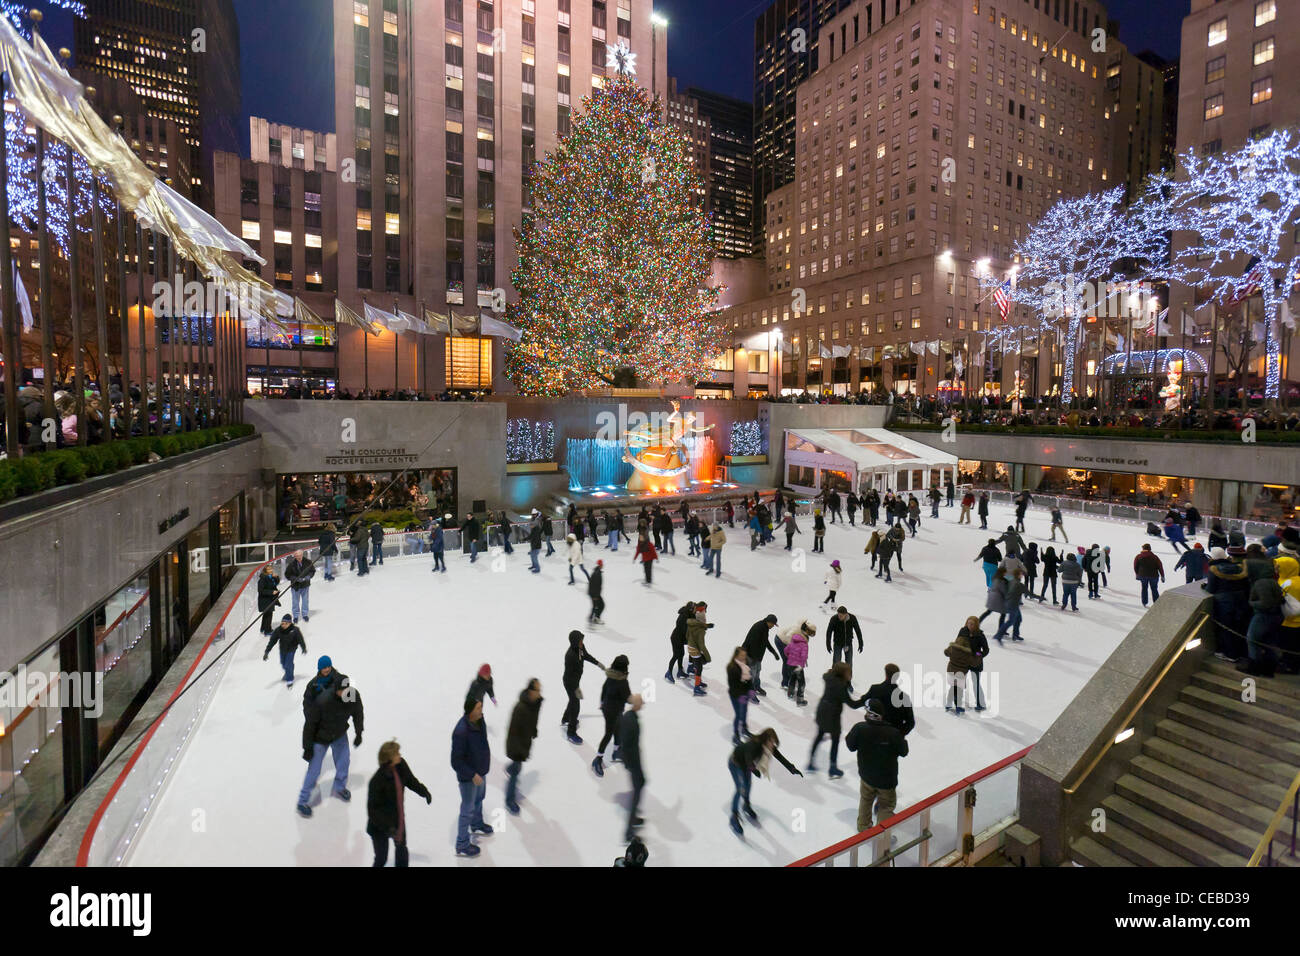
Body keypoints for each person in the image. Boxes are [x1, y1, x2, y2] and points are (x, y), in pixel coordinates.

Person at [297, 676, 364, 818]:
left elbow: (358, 713)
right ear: (336, 690)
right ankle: (302, 801)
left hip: (339, 734)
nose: (345, 693)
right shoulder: (323, 701)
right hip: (320, 738)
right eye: (342, 691)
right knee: (314, 770)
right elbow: (310, 724)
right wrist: (307, 747)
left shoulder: (353, 696)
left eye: (347, 690)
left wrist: (359, 733)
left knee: (344, 761)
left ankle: (339, 787)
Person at [845, 699, 909, 831]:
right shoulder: (892, 733)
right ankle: (882, 837)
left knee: (866, 800)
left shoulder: (860, 728)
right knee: (886, 806)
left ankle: (863, 828)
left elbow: (850, 745)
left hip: (867, 776)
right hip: (887, 781)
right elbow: (903, 751)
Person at [366, 739, 431, 867]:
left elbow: (410, 781)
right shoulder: (377, 781)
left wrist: (424, 792)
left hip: (397, 819)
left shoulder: (401, 765)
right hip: (379, 826)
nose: (400, 755)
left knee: (402, 853)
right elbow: (373, 810)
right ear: (389, 759)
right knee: (381, 859)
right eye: (397, 753)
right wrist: (387, 827)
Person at [728, 729, 802, 836]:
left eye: (773, 743)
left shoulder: (768, 746)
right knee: (740, 788)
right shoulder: (754, 744)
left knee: (748, 786)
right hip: (736, 764)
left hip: (746, 766)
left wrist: (791, 768)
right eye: (771, 742)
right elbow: (749, 758)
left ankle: (746, 805)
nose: (772, 745)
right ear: (765, 739)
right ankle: (733, 816)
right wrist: (754, 770)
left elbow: (779, 757)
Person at [451, 696, 492, 857]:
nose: (481, 710)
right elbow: (455, 761)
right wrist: (472, 774)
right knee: (467, 809)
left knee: (479, 799)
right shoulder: (461, 732)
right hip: (469, 778)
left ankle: (476, 824)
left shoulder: (480, 721)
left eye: (481, 707)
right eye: (478, 708)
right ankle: (461, 843)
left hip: (481, 772)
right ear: (470, 711)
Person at [808, 662, 864, 777]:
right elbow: (852, 704)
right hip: (832, 715)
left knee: (819, 735)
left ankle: (811, 762)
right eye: (848, 672)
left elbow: (827, 675)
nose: (850, 674)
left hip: (822, 710)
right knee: (835, 739)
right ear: (843, 673)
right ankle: (832, 768)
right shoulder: (840, 686)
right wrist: (865, 699)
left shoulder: (829, 678)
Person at [504, 679, 543, 813]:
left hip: (525, 742)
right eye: (537, 690)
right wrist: (517, 751)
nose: (540, 693)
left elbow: (534, 718)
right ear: (531, 691)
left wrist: (534, 729)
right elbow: (513, 731)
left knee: (516, 768)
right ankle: (509, 800)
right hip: (517, 746)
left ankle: (509, 768)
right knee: (516, 771)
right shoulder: (520, 708)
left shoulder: (535, 704)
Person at [1204, 547, 1250, 661]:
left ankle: (1230, 654)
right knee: (1239, 626)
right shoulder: (1239, 568)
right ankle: (1242, 652)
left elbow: (1211, 589)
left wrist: (1205, 586)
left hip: (1224, 602)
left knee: (1227, 628)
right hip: (1241, 600)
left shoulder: (1213, 569)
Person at [592, 655, 631, 776]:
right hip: (613, 711)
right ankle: (598, 759)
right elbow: (627, 698)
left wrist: (602, 702)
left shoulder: (611, 675)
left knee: (618, 728)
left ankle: (616, 750)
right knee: (609, 733)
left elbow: (604, 688)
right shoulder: (622, 681)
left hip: (608, 708)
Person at [562, 630, 603, 744]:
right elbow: (570, 676)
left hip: (575, 681)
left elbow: (586, 656)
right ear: (575, 642)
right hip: (570, 683)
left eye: (582, 640)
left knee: (572, 700)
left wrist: (598, 664)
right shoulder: (570, 656)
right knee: (576, 705)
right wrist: (576, 689)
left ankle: (566, 718)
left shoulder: (580, 647)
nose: (582, 642)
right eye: (580, 640)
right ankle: (571, 732)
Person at [619, 695, 646, 842]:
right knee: (638, 788)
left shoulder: (629, 716)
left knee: (641, 783)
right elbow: (627, 744)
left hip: (633, 759)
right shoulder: (631, 720)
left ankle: (634, 818)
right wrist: (629, 762)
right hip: (633, 760)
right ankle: (629, 832)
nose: (642, 705)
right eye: (641, 702)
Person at [862, 663, 916, 734]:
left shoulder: (875, 689)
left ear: (886, 674)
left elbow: (859, 703)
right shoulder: (904, 697)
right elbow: (911, 722)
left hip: (875, 734)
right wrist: (899, 735)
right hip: (893, 736)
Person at [264, 614, 306, 688]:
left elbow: (300, 639)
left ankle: (290, 680)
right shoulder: (278, 630)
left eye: (285, 623)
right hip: (282, 649)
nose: (283, 625)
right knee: (283, 663)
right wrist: (267, 652)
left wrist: (303, 648)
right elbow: (272, 641)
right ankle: (288, 672)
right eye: (282, 623)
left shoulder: (295, 630)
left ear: (289, 623)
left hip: (291, 649)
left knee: (288, 664)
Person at [944, 629, 979, 713]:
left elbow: (946, 652)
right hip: (961, 674)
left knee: (952, 687)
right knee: (959, 690)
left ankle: (948, 704)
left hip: (951, 671)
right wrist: (978, 655)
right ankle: (958, 707)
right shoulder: (967, 653)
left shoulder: (952, 648)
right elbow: (974, 663)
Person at [726, 647, 754, 744]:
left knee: (744, 712)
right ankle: (736, 734)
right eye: (741, 655)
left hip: (744, 693)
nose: (743, 657)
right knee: (738, 714)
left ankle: (744, 729)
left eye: (744, 655)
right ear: (736, 655)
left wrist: (751, 689)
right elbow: (733, 685)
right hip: (736, 694)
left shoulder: (746, 664)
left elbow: (749, 678)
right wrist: (741, 695)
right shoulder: (732, 667)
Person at [686, 602, 714, 695]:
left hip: (690, 647)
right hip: (695, 650)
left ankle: (699, 682)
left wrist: (691, 642)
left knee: (697, 665)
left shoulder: (691, 623)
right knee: (699, 668)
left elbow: (687, 635)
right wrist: (708, 657)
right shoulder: (701, 630)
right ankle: (696, 687)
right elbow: (702, 645)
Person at [992, 568, 1026, 643]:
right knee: (1011, 621)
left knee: (1018, 619)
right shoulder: (1019, 584)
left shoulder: (1012, 579)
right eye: (1021, 574)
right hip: (1012, 604)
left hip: (1011, 603)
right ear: (1018, 575)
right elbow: (1028, 593)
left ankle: (1015, 635)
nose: (1022, 575)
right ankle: (998, 635)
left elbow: (1003, 576)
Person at [826, 605, 864, 672]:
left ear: (846, 614)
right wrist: (828, 644)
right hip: (838, 643)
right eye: (838, 615)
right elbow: (829, 632)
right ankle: (834, 678)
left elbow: (858, 630)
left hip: (848, 643)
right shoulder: (834, 619)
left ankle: (848, 680)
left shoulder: (852, 618)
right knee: (836, 662)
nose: (839, 617)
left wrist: (861, 643)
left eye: (841, 616)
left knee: (849, 663)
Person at [665, 601, 695, 683]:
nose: (694, 611)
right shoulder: (683, 617)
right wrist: (688, 640)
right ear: (689, 609)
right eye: (693, 609)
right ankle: (669, 672)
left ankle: (680, 671)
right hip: (676, 638)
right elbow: (684, 630)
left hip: (680, 638)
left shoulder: (689, 614)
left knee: (681, 654)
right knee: (676, 655)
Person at [783, 623, 812, 706]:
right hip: (798, 666)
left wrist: (790, 658)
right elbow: (804, 656)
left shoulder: (792, 642)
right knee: (802, 683)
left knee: (792, 678)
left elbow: (785, 650)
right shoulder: (804, 645)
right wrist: (801, 665)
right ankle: (800, 700)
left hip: (790, 665)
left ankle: (790, 693)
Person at [284, 550, 315, 623]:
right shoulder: (292, 564)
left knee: (305, 601)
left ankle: (305, 614)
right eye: (297, 556)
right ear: (295, 556)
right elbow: (287, 575)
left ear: (302, 555)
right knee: (295, 602)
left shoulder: (308, 562)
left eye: (300, 556)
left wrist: (308, 577)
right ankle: (295, 616)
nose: (298, 557)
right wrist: (295, 579)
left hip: (305, 585)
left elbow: (312, 571)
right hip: (295, 586)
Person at [1134, 543, 1166, 608]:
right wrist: (1162, 575)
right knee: (1154, 589)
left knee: (1144, 588)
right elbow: (1160, 566)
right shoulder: (1155, 557)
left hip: (1143, 575)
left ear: (1143, 549)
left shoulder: (1138, 556)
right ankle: (1156, 602)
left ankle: (1144, 602)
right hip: (1154, 576)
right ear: (1150, 549)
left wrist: (1137, 574)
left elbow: (1135, 566)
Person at [257, 564, 281, 635]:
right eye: (269, 569)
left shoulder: (270, 577)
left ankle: (263, 628)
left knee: (266, 615)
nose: (271, 570)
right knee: (268, 615)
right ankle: (268, 630)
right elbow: (261, 591)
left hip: (269, 599)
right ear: (265, 571)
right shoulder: (263, 579)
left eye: (271, 569)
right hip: (265, 600)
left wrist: (276, 577)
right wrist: (272, 592)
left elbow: (275, 583)